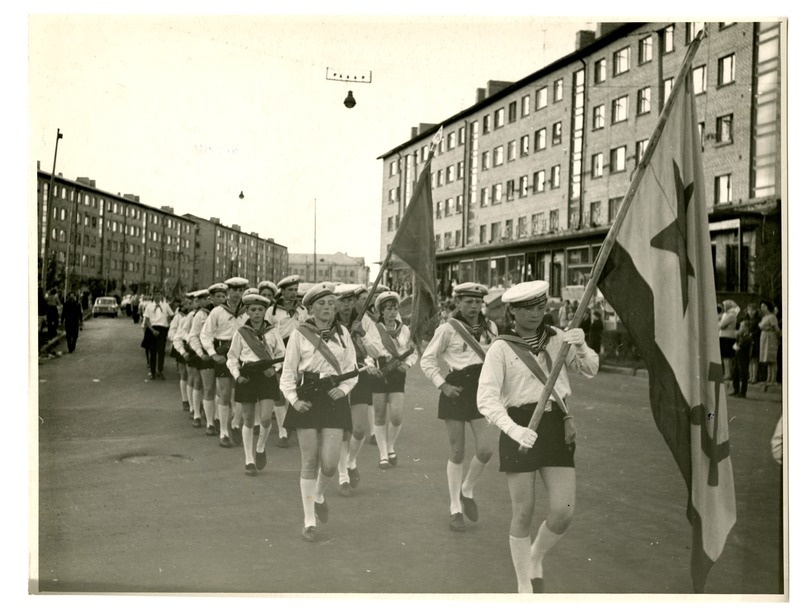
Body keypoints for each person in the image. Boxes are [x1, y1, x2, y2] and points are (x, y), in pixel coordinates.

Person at [476, 280, 598, 593]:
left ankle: (536, 556)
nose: (535, 314)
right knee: (523, 511)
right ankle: (523, 585)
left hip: (557, 425)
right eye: (527, 308)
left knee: (563, 512)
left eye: (540, 307)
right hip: (518, 425)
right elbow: (486, 398)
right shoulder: (501, 348)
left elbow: (590, 370)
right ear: (511, 311)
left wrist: (581, 345)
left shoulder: (558, 338)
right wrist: (513, 429)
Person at [279, 282, 357, 542]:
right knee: (310, 461)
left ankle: (320, 494)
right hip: (308, 397)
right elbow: (288, 373)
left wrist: (344, 389)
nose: (327, 308)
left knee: (331, 464)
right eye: (321, 304)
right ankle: (309, 520)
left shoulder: (344, 333)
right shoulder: (300, 334)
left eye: (331, 303)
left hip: (334, 396)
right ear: (310, 309)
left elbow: (352, 369)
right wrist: (293, 400)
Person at [420, 282, 498, 532]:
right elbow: (427, 359)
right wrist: (442, 385)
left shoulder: (491, 328)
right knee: (457, 452)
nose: (474, 307)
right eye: (469, 301)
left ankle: (467, 489)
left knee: (486, 450)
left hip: (482, 390)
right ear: (458, 302)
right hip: (455, 389)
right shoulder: (447, 329)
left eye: (478, 302)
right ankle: (455, 507)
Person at [228, 291, 285, 476]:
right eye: (253, 310)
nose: (257, 313)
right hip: (248, 376)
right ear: (247, 312)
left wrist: (275, 369)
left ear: (265, 311)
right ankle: (249, 460)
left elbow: (282, 355)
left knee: (267, 418)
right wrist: (237, 376)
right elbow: (232, 358)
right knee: (249, 419)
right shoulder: (241, 333)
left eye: (261, 309)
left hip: (266, 375)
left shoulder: (272, 331)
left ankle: (260, 447)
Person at [334, 284, 380, 496]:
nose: (345, 305)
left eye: (349, 301)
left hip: (359, 374)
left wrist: (362, 332)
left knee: (359, 428)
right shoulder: (329, 320)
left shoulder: (365, 320)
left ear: (354, 302)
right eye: (341, 301)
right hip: (336, 377)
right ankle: (342, 475)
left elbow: (377, 351)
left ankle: (351, 461)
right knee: (343, 428)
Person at [363, 290, 417, 468]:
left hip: (397, 373)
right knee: (379, 416)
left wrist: (407, 365)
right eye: (388, 309)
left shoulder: (405, 330)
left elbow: (413, 352)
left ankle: (391, 445)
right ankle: (383, 455)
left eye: (395, 308)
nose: (392, 312)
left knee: (396, 416)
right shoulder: (374, 329)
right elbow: (368, 352)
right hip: (380, 371)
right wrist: (370, 366)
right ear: (381, 311)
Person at [200, 277, 249, 448]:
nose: (237, 293)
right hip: (224, 352)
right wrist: (213, 354)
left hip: (243, 354)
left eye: (240, 290)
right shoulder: (217, 312)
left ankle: (235, 423)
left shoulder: (248, 310)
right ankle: (224, 432)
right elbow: (205, 334)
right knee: (225, 393)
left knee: (243, 392)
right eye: (234, 290)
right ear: (228, 291)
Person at [268, 275, 308, 448]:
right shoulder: (273, 311)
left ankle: (293, 424)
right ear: (282, 292)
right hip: (279, 353)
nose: (293, 293)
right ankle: (283, 432)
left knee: (297, 390)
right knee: (279, 393)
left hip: (299, 352)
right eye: (289, 290)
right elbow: (266, 333)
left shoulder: (302, 310)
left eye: (295, 290)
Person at [190, 284, 226, 436]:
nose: (221, 299)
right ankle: (207, 421)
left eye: (223, 296)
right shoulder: (202, 314)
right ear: (211, 298)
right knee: (209, 388)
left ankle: (217, 417)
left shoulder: (227, 312)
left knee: (223, 389)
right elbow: (193, 335)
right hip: (206, 353)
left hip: (223, 353)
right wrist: (200, 352)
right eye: (218, 296)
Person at [173, 291, 204, 426]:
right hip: (193, 349)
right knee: (193, 379)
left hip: (206, 349)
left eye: (199, 301)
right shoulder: (190, 316)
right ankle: (192, 407)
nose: (197, 304)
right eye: (195, 301)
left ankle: (200, 405)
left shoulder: (208, 313)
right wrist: (191, 340)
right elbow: (182, 333)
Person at [143, 287, 174, 380]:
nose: (157, 296)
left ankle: (160, 370)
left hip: (163, 330)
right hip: (152, 329)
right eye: (155, 294)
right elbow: (147, 320)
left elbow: (172, 316)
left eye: (159, 294)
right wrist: (152, 330)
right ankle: (152, 372)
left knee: (161, 351)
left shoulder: (166, 306)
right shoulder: (149, 306)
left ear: (161, 296)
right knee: (152, 352)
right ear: (153, 295)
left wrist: (169, 322)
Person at [168, 296, 192, 410]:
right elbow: (172, 332)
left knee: (193, 375)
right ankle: (185, 399)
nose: (188, 305)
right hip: (182, 345)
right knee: (184, 374)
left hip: (193, 346)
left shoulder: (194, 316)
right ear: (182, 307)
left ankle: (193, 401)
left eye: (190, 303)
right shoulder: (178, 317)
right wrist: (179, 341)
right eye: (186, 303)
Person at [758, 299, 781, 385]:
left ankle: (773, 379)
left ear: (768, 307)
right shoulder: (764, 317)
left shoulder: (772, 316)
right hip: (764, 337)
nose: (762, 308)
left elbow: (777, 329)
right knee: (767, 359)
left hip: (770, 337)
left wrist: (771, 331)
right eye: (761, 306)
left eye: (764, 306)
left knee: (772, 359)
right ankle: (768, 378)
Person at [718, 300, 739, 382]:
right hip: (724, 336)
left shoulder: (731, 315)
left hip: (728, 336)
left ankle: (728, 373)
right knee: (724, 356)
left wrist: (719, 323)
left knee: (727, 356)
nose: (723, 307)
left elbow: (722, 325)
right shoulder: (726, 315)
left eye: (725, 305)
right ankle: (726, 373)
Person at [731, 320, 752, 398]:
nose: (740, 327)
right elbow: (735, 345)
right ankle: (736, 390)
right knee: (735, 373)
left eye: (742, 326)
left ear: (746, 328)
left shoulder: (748, 337)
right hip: (738, 357)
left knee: (743, 374)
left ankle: (743, 392)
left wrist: (737, 344)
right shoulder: (740, 335)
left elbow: (740, 345)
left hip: (743, 358)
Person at [744, 303, 762, 383]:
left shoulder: (758, 319)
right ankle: (750, 376)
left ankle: (754, 377)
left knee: (754, 359)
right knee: (749, 359)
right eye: (749, 310)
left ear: (755, 311)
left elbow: (758, 330)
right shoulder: (747, 319)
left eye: (752, 310)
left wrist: (752, 334)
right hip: (748, 340)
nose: (750, 312)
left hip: (755, 340)